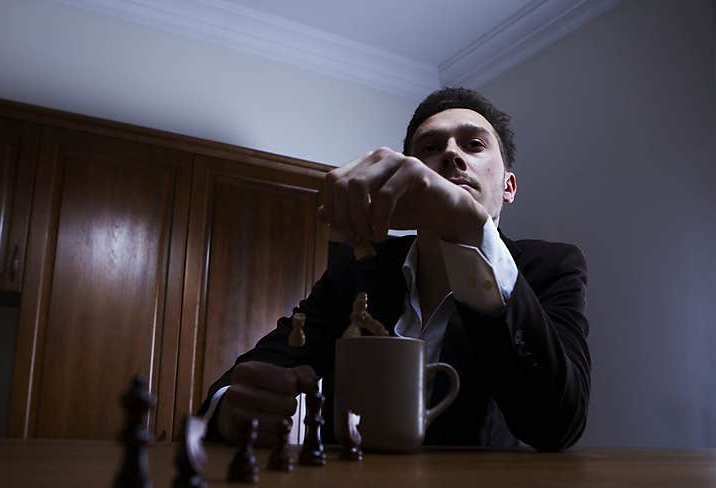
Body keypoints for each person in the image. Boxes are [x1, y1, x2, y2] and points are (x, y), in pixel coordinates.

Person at [198, 87, 590, 451]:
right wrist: (233, 409)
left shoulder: (552, 268)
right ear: (407, 176)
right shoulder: (354, 272)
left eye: (473, 145)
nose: (452, 156)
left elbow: (557, 426)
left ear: (508, 186)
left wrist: (474, 234)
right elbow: (248, 377)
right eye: (431, 147)